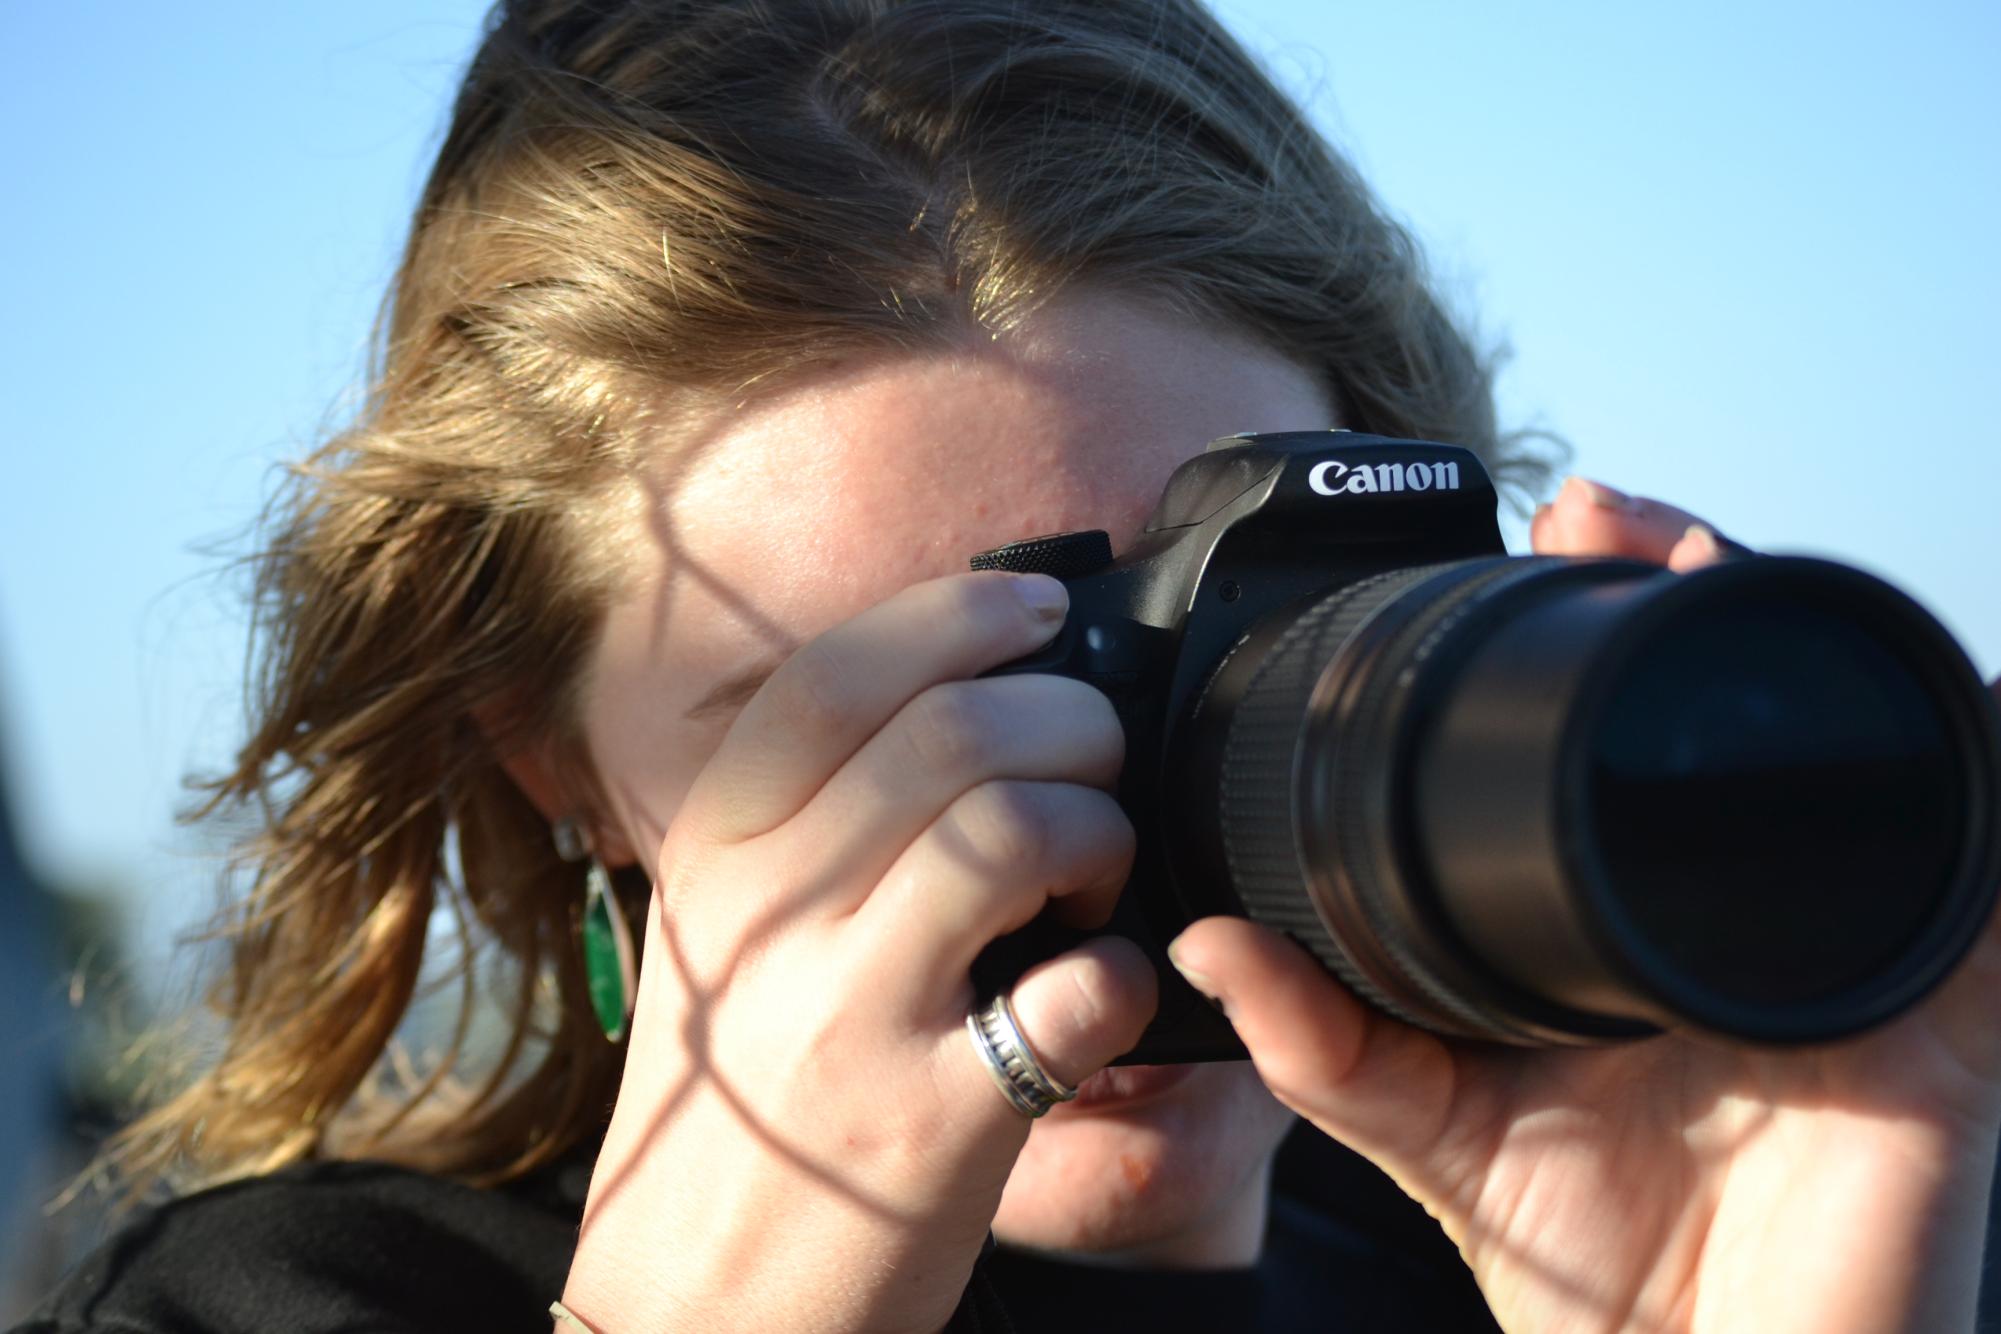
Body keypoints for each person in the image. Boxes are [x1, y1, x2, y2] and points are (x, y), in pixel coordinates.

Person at [16, 1, 2001, 1330]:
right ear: (548, 757)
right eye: (889, 719)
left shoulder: (1627, 1219)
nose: (1078, 824)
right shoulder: (280, 1303)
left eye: (1222, 651)